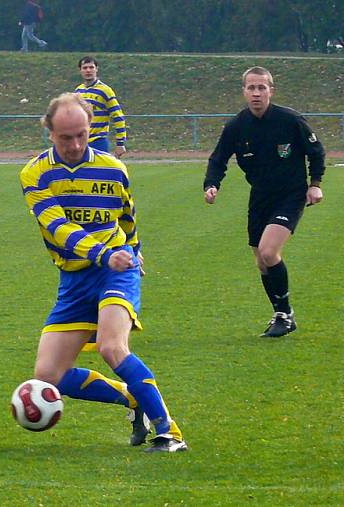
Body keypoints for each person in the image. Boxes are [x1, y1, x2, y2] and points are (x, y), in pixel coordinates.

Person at [20, 93, 187, 452]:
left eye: (82, 134)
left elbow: (127, 218)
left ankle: (168, 431)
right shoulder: (35, 173)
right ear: (49, 132)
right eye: (66, 137)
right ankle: (133, 399)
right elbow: (57, 227)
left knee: (112, 346)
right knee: (49, 377)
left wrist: (134, 252)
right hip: (77, 278)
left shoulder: (113, 168)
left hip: (116, 270)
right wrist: (101, 253)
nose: (76, 144)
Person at [204, 66, 325, 338]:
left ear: (271, 90)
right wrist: (211, 184)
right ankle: (283, 314)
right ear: (244, 91)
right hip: (260, 197)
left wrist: (315, 185)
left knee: (269, 253)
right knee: (261, 262)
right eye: (251, 88)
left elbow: (316, 151)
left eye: (262, 87)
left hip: (291, 195)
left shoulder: (290, 120)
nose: (256, 93)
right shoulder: (237, 126)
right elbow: (218, 159)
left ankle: (284, 314)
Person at [73, 56, 127, 157]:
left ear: (96, 69)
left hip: (98, 142)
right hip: (81, 142)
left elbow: (118, 116)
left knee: (99, 172)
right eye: (85, 68)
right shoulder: (78, 91)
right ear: (80, 70)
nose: (88, 70)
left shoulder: (105, 90)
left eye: (91, 67)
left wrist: (120, 143)